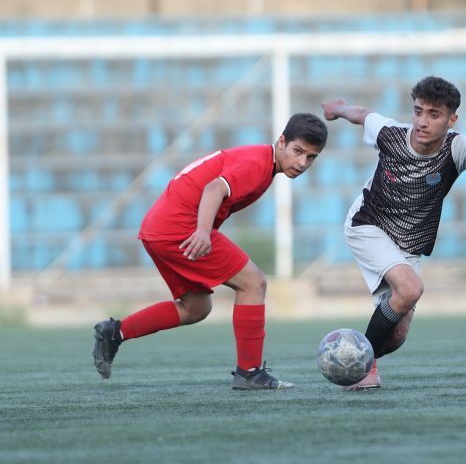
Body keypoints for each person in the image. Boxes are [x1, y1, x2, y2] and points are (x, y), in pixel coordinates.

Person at [92, 113, 328, 389]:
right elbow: (214, 188)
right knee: (254, 283)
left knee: (196, 307)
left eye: (311, 157)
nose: (302, 163)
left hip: (158, 228)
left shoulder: (260, 160)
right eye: (298, 151)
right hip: (179, 227)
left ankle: (115, 332)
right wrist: (203, 231)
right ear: (282, 142)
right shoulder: (257, 164)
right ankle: (249, 373)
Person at [321, 75, 466, 390]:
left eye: (434, 115)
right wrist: (338, 109)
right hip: (368, 224)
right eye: (418, 111)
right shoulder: (391, 134)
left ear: (451, 120)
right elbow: (363, 114)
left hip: (408, 244)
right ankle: (364, 370)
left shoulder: (455, 147)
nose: (422, 121)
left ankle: (351, 355)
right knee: (410, 289)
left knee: (396, 335)